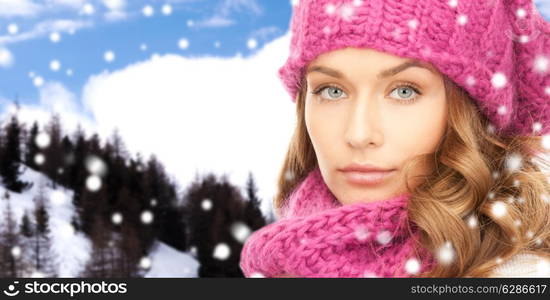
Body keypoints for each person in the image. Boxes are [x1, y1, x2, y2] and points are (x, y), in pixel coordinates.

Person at [239, 0, 550, 278]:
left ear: (470, 111)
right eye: (332, 90)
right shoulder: (287, 260)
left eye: (405, 91)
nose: (359, 134)